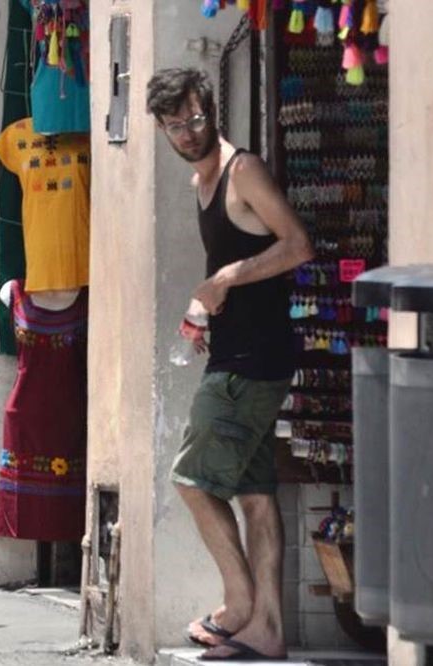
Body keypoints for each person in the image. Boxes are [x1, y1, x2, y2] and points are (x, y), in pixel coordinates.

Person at [145, 68, 314, 661]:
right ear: (162, 130)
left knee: (191, 481)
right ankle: (267, 630)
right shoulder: (203, 178)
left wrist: (224, 278)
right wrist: (206, 307)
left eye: (195, 119)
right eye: (174, 126)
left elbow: (297, 244)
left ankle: (238, 605)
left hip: (251, 362)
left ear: (211, 110)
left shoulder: (242, 169)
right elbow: (235, 262)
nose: (188, 133)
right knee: (257, 495)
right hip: (242, 349)